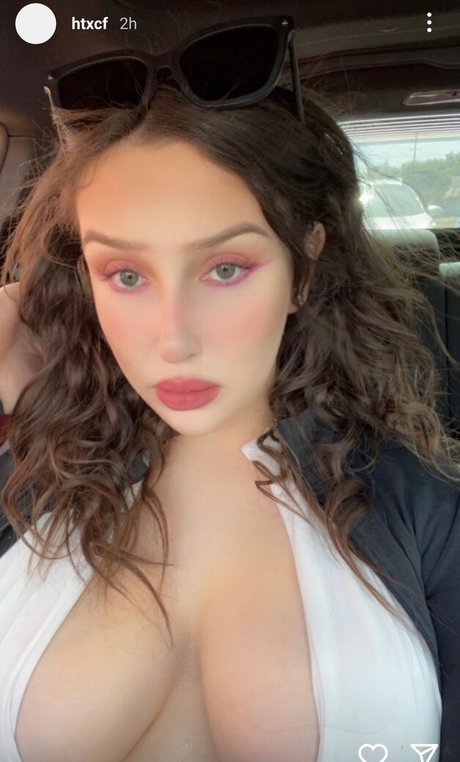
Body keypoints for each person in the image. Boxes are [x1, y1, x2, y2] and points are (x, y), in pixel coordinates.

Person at [0, 15, 459, 762]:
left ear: (302, 268)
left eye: (224, 268)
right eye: (126, 274)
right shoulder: (31, 478)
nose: (174, 338)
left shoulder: (427, 511)